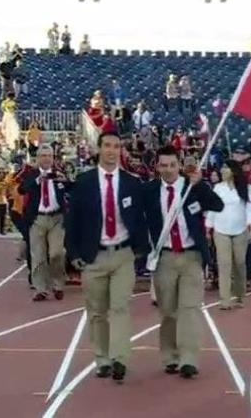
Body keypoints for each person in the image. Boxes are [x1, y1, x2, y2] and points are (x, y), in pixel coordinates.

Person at [67, 131, 150, 383]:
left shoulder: (132, 183)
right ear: (99, 149)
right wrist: (73, 253)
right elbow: (73, 222)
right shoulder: (83, 182)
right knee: (97, 312)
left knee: (120, 307)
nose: (112, 150)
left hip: (123, 253)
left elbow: (140, 218)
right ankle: (102, 358)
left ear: (121, 150)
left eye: (116, 146)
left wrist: (141, 248)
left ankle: (120, 358)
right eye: (107, 146)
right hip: (94, 256)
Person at [144, 146, 224, 379]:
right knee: (168, 311)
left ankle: (189, 359)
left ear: (179, 165)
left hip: (191, 256)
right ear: (157, 167)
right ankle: (170, 356)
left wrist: (200, 184)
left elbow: (217, 205)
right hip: (164, 257)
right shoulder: (149, 192)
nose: (168, 170)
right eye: (163, 165)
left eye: (172, 165)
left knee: (189, 309)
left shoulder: (192, 187)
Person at [19, 144, 70, 301]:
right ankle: (41, 289)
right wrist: (37, 181)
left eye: (49, 155)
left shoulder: (59, 174)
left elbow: (71, 189)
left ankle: (58, 284)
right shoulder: (31, 175)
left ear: (53, 158)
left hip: (57, 218)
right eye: (43, 155)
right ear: (37, 158)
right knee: (38, 255)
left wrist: (66, 181)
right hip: (37, 218)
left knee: (57, 253)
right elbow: (22, 189)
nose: (46, 158)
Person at [207, 160, 251, 310]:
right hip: (221, 230)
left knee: (240, 263)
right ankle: (225, 299)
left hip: (240, 230)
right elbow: (212, 208)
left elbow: (250, 209)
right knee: (224, 264)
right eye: (222, 167)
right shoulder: (218, 188)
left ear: (234, 171)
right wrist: (208, 228)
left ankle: (240, 294)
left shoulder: (246, 189)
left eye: (225, 168)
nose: (222, 171)